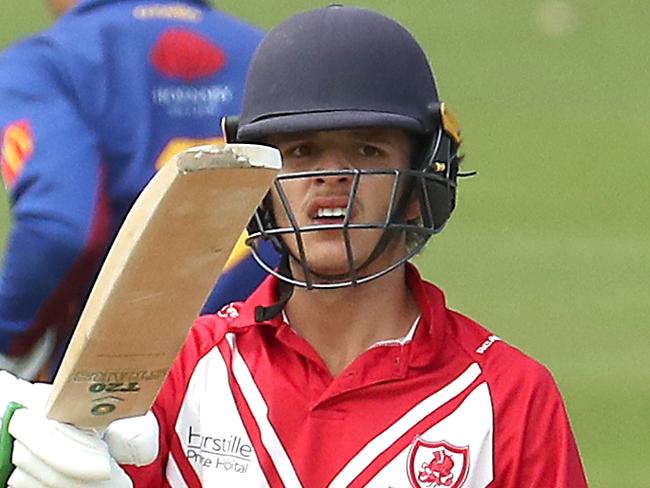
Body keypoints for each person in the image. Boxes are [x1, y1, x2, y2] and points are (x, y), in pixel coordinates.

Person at [0, 5, 589, 487]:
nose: (330, 176)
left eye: (367, 151)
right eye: (301, 152)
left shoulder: (509, 396)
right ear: (256, 183)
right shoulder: (179, 368)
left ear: (422, 184)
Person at [0, 0, 278, 380]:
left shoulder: (44, 65)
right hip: (269, 376)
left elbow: (60, 230)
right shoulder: (277, 58)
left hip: (116, 394)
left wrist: (9, 338)